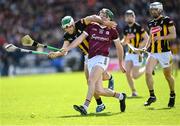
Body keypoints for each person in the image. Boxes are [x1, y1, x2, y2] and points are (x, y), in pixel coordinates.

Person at [63, 8, 126, 115]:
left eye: (105, 15)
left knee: (91, 81)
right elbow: (79, 40)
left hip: (102, 58)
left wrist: (120, 63)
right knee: (99, 90)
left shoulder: (112, 31)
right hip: (90, 58)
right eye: (101, 14)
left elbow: (119, 47)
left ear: (109, 18)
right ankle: (121, 96)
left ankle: (85, 107)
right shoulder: (91, 27)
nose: (102, 16)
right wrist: (67, 49)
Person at [48, 14, 116, 112]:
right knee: (90, 82)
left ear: (73, 23)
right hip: (87, 57)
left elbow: (93, 17)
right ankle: (100, 104)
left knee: (99, 78)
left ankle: (110, 77)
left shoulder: (81, 23)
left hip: (98, 53)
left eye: (70, 25)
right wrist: (56, 54)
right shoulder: (67, 36)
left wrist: (104, 22)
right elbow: (64, 50)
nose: (69, 28)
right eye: (66, 27)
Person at [143, 2, 176, 107]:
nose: (153, 11)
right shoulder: (151, 23)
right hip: (153, 52)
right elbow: (151, 37)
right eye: (152, 10)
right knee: (147, 72)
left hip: (165, 52)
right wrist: (146, 46)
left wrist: (161, 38)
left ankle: (172, 94)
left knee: (168, 76)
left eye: (155, 9)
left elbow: (173, 35)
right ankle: (152, 96)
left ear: (160, 10)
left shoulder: (167, 20)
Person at [121, 10, 149, 97]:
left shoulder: (138, 27)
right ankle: (133, 91)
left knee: (135, 76)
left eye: (131, 16)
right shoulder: (125, 28)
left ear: (134, 17)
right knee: (127, 72)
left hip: (137, 54)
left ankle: (146, 68)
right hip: (129, 54)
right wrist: (121, 42)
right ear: (125, 18)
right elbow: (125, 40)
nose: (129, 18)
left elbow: (147, 38)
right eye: (127, 16)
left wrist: (140, 48)